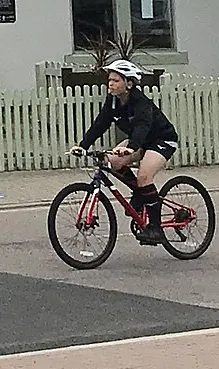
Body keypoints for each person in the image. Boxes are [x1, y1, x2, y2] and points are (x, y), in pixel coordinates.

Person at [71, 58, 179, 243]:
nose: (110, 84)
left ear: (128, 83)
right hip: (140, 141)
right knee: (113, 161)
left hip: (162, 140)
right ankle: (140, 192)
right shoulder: (112, 101)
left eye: (115, 80)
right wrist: (83, 145)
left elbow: (142, 126)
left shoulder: (140, 102)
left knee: (144, 175)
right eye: (109, 80)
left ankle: (156, 228)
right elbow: (101, 123)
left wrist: (131, 148)